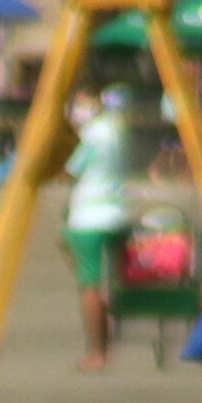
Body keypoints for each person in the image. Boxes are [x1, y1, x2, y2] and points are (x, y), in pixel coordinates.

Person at [61, 86, 139, 370]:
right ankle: (104, 303)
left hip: (88, 216)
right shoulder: (119, 130)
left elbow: (70, 170)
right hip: (117, 211)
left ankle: (97, 351)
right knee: (68, 245)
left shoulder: (92, 134)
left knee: (88, 284)